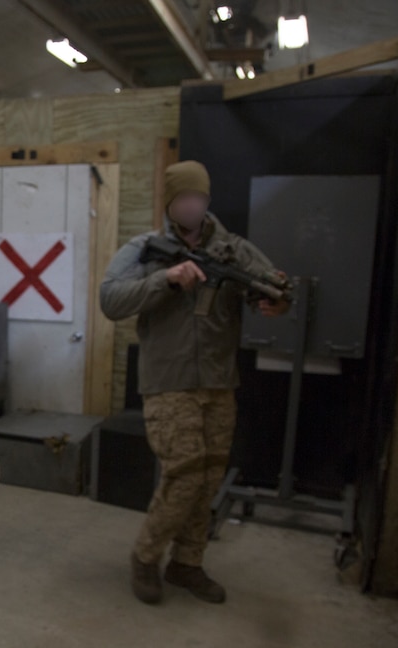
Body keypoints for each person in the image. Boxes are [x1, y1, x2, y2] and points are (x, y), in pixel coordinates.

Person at [100, 160, 290, 606]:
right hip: (169, 382)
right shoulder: (145, 248)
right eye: (185, 198)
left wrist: (274, 303)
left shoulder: (233, 249)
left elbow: (272, 288)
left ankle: (187, 563)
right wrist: (165, 280)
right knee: (184, 474)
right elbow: (111, 299)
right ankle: (146, 558)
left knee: (208, 478)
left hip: (219, 381)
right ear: (170, 203)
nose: (193, 206)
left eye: (200, 198)